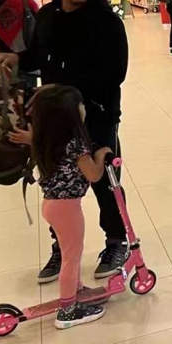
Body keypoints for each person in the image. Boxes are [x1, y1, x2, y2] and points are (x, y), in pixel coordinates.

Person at [0, 0, 130, 283]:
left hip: (96, 114)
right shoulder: (47, 16)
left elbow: (116, 73)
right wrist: (17, 58)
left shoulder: (106, 21)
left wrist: (74, 96)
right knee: (56, 184)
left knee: (104, 179)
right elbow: (39, 55)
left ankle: (117, 241)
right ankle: (62, 246)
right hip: (53, 117)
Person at [28, 85, 112, 329]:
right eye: (80, 105)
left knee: (69, 253)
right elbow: (94, 175)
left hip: (52, 204)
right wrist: (101, 155)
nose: (84, 109)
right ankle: (68, 310)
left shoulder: (47, 139)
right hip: (67, 208)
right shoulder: (75, 144)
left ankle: (76, 290)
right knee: (71, 257)